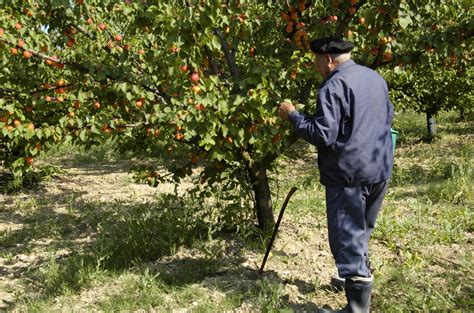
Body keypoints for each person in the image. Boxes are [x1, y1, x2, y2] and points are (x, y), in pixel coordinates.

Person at [278, 36, 394, 312]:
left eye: (317, 61)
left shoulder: (333, 86)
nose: (316, 67)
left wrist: (293, 115)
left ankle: (357, 307)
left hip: (349, 175)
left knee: (346, 237)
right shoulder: (374, 78)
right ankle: (356, 277)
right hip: (378, 168)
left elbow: (323, 134)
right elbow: (387, 116)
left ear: (328, 60)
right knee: (361, 230)